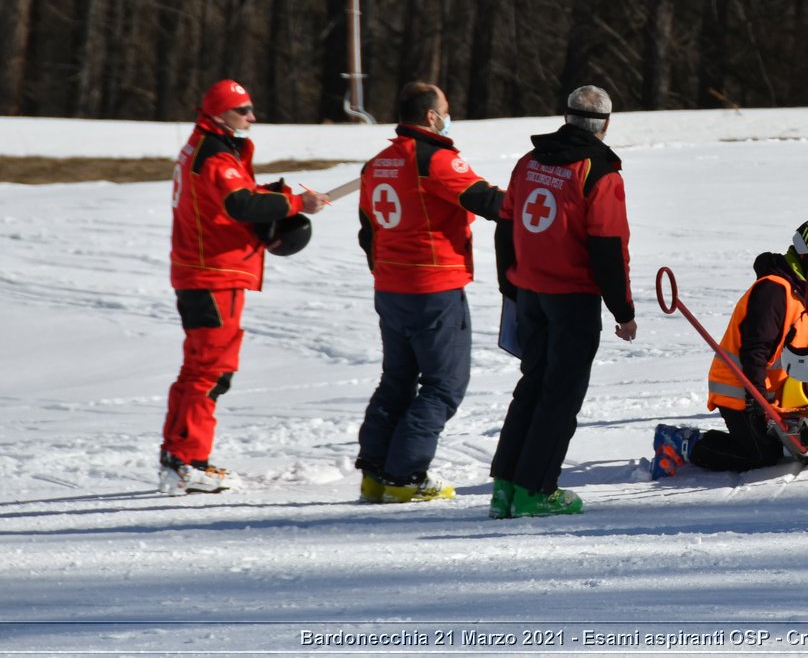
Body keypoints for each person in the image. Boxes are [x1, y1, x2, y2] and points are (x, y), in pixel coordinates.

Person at [161, 79, 329, 495]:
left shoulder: (209, 145)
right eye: (244, 110)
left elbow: (238, 195)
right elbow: (240, 204)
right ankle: (187, 462)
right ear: (220, 113)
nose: (252, 117)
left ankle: (179, 458)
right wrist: (294, 204)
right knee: (210, 371)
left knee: (200, 369)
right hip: (212, 274)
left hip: (208, 271)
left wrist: (278, 194)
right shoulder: (215, 152)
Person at [354, 82, 505, 504]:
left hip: (391, 287)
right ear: (432, 117)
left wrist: (384, 272)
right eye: (447, 108)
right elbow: (489, 202)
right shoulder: (435, 159)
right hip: (433, 287)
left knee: (397, 380)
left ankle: (375, 473)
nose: (449, 115)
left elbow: (367, 231)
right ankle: (404, 476)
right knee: (443, 385)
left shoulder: (376, 164)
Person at [489, 86, 637, 518]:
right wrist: (623, 312)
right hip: (570, 299)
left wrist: (510, 288)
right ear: (605, 124)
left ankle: (506, 486)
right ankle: (535, 490)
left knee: (531, 386)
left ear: (566, 117)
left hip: (530, 294)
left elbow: (505, 227)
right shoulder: (599, 171)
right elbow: (608, 247)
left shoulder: (529, 161)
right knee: (560, 396)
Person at [659, 221, 808, 475]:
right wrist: (756, 401)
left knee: (782, 445)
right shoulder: (773, 291)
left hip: (767, 390)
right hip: (739, 391)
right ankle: (685, 443)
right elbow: (755, 350)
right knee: (762, 455)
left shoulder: (796, 288)